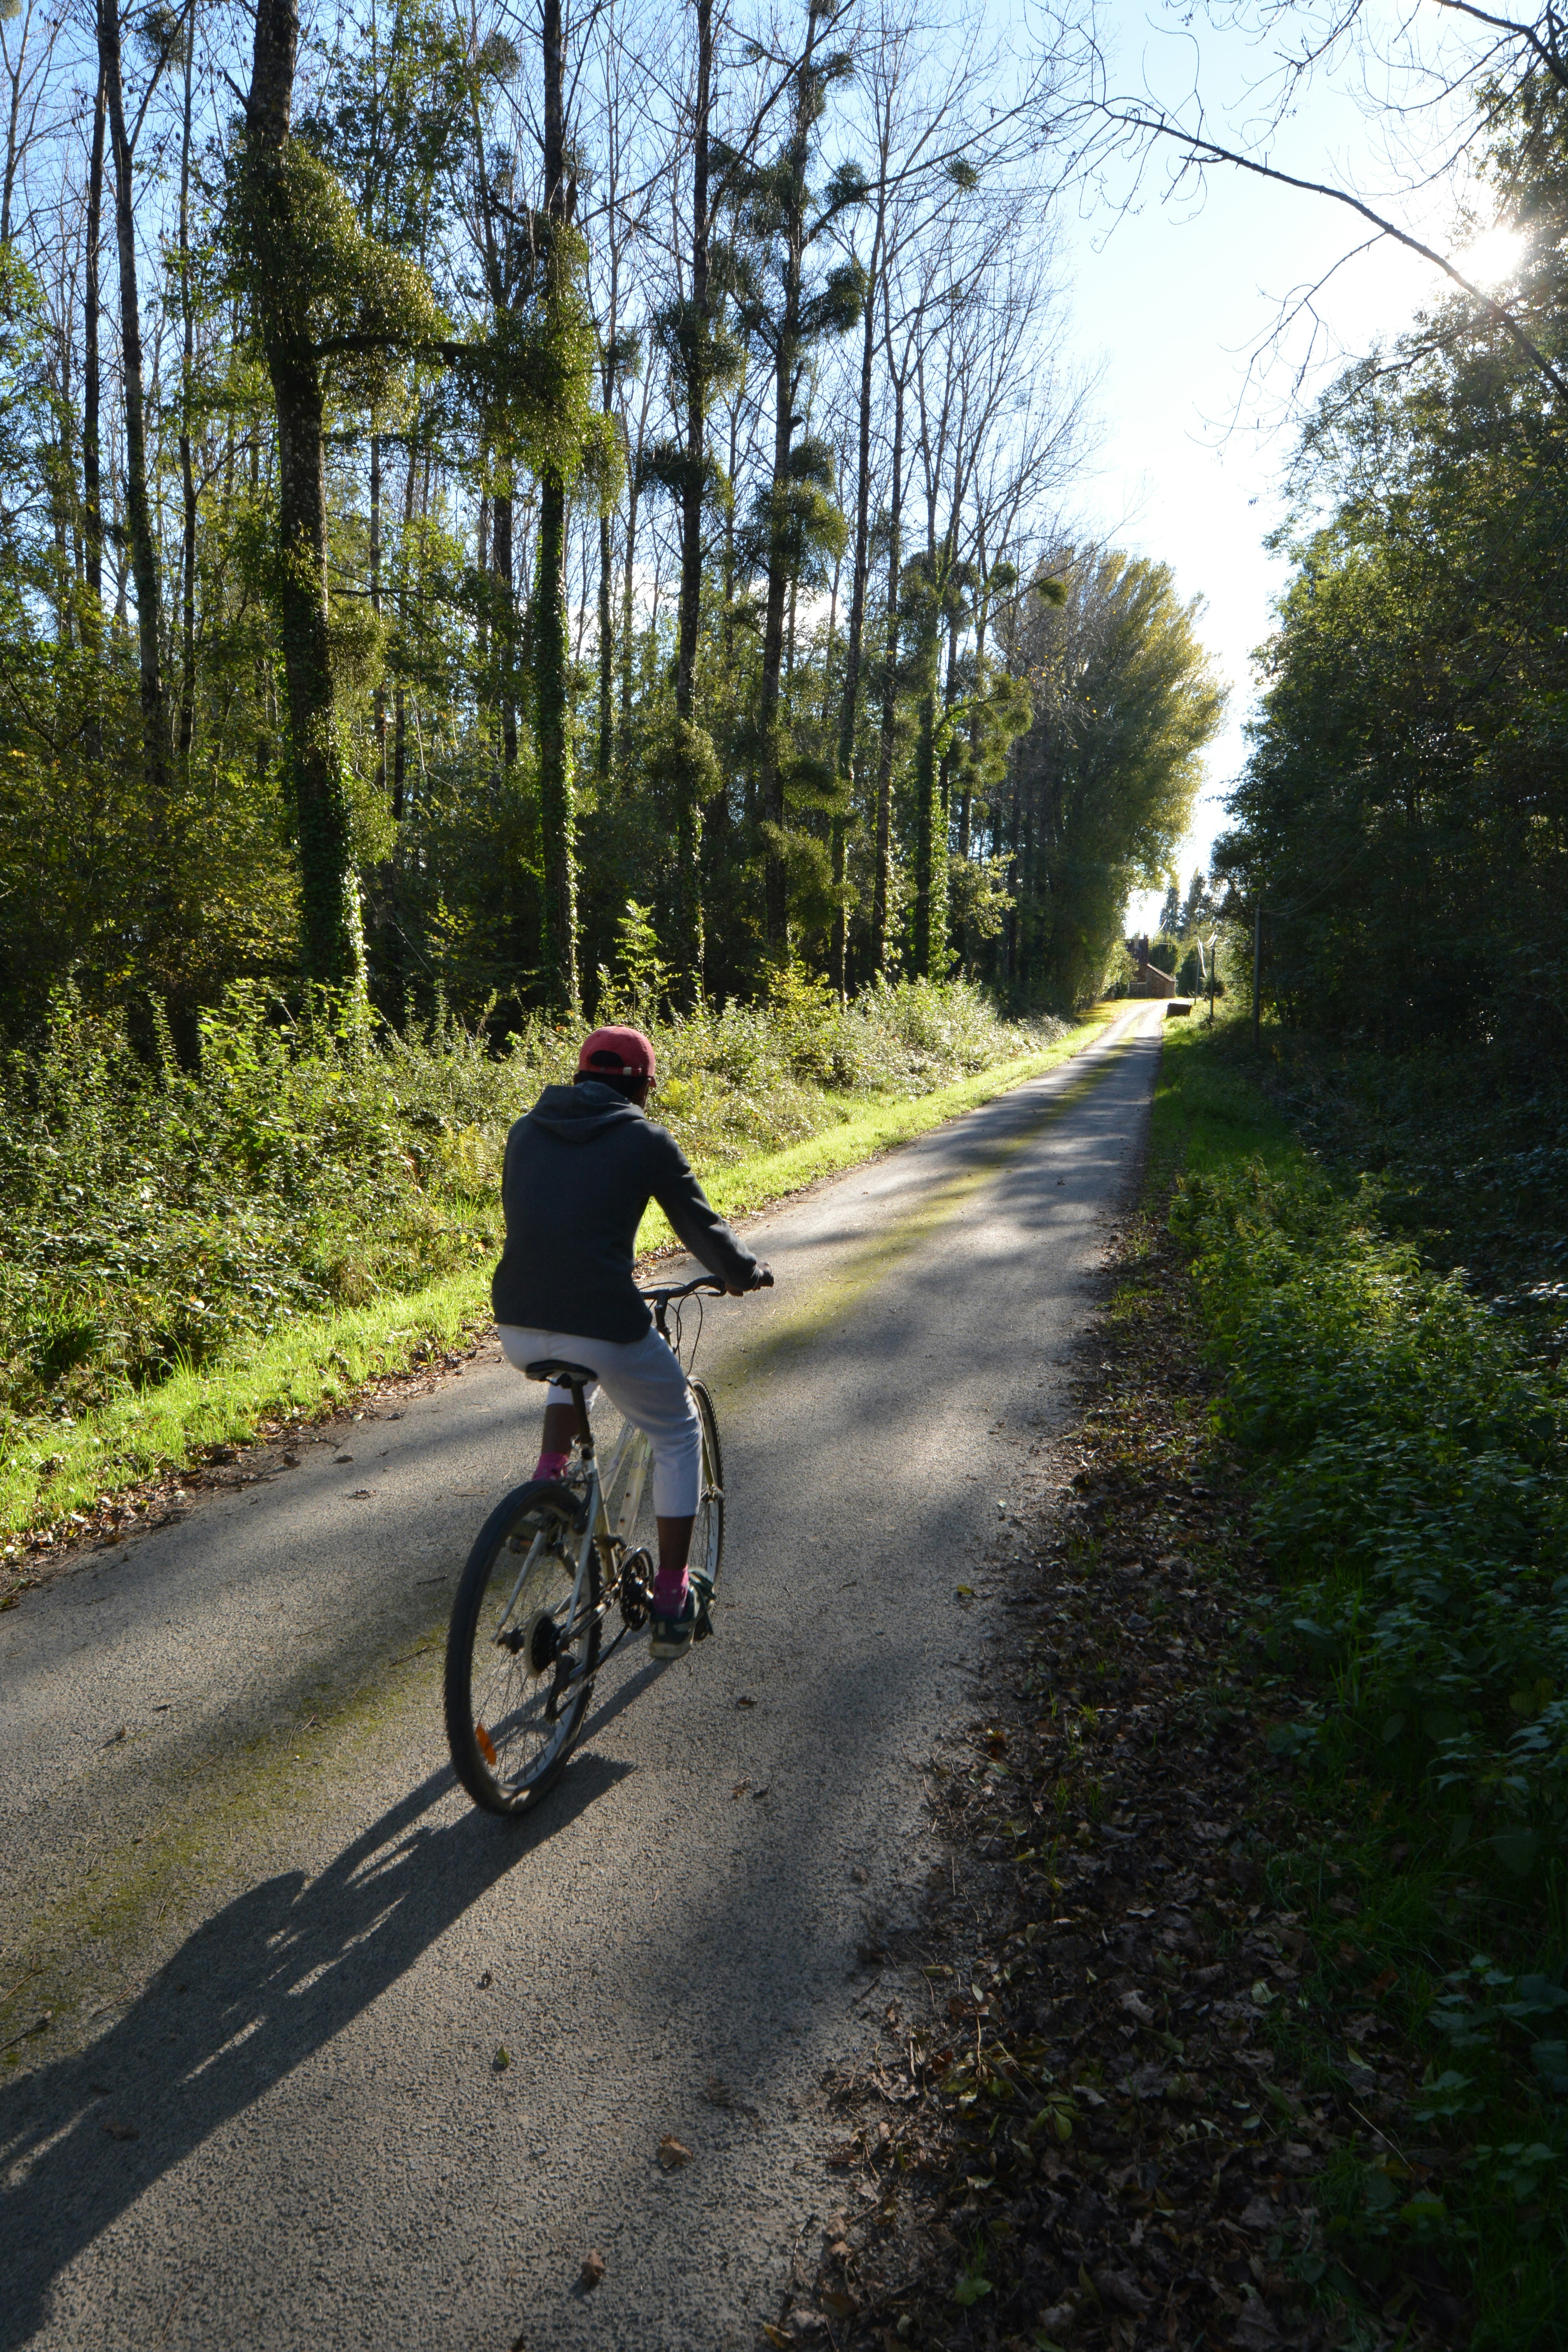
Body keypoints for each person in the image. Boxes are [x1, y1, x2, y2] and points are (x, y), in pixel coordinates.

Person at [492, 1024, 770, 1659]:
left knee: (573, 1368)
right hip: (604, 1324)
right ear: (643, 1087)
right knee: (676, 1431)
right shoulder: (645, 1140)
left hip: (514, 1323)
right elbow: (703, 1228)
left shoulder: (524, 1130)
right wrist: (743, 1273)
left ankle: (548, 1482)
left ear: (581, 1075)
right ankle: (673, 1600)